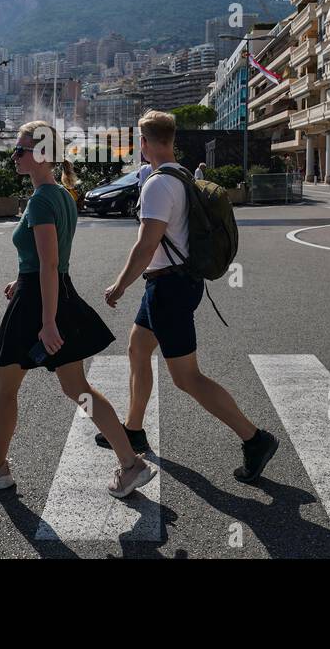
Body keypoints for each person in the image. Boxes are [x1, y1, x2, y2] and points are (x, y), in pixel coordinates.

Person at [0, 121, 157, 498]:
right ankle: (131, 464)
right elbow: (49, 258)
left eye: (21, 150)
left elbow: (49, 263)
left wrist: (46, 322)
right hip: (54, 292)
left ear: (43, 154)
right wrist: (21, 278)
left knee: (4, 386)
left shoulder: (42, 200)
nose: (15, 156)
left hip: (40, 301)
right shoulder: (63, 195)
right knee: (77, 388)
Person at [101, 110, 279, 483]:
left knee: (187, 378)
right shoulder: (180, 175)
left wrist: (119, 284)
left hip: (170, 288)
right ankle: (133, 428)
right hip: (170, 284)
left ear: (145, 143)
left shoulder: (157, 184)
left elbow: (147, 244)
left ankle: (254, 438)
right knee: (138, 348)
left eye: (139, 142)